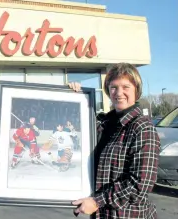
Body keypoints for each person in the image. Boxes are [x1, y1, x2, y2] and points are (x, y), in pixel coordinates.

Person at [68, 63, 160, 219]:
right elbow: (75, 125)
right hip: (102, 215)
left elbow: (140, 185)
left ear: (136, 90)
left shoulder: (142, 128)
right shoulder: (103, 124)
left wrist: (97, 201)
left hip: (128, 215)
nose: (119, 93)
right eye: (113, 87)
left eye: (126, 87)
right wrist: (72, 96)